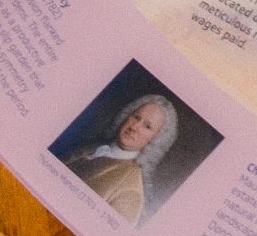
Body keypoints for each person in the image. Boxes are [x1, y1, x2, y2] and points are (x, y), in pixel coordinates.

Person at [57, 92, 178, 224]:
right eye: (136, 117)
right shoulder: (91, 147)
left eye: (147, 126)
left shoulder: (131, 188)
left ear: (155, 140)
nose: (134, 127)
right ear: (126, 116)